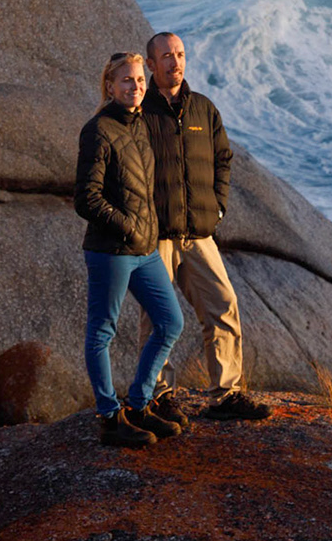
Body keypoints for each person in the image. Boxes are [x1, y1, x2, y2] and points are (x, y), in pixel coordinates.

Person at [142, 31, 271, 421]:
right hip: (157, 236)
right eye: (166, 56)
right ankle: (158, 397)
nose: (174, 62)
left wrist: (217, 209)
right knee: (156, 318)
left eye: (180, 54)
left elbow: (223, 159)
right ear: (151, 65)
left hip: (198, 233)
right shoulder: (139, 113)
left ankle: (227, 394)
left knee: (223, 306)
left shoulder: (203, 109)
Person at [75, 51, 190, 447]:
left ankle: (139, 404)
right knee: (102, 333)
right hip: (111, 250)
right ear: (110, 86)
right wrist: (126, 226)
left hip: (145, 249)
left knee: (171, 322)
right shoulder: (98, 130)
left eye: (140, 80)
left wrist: (152, 227)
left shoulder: (140, 124)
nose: (135, 87)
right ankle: (110, 417)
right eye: (127, 81)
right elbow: (86, 198)